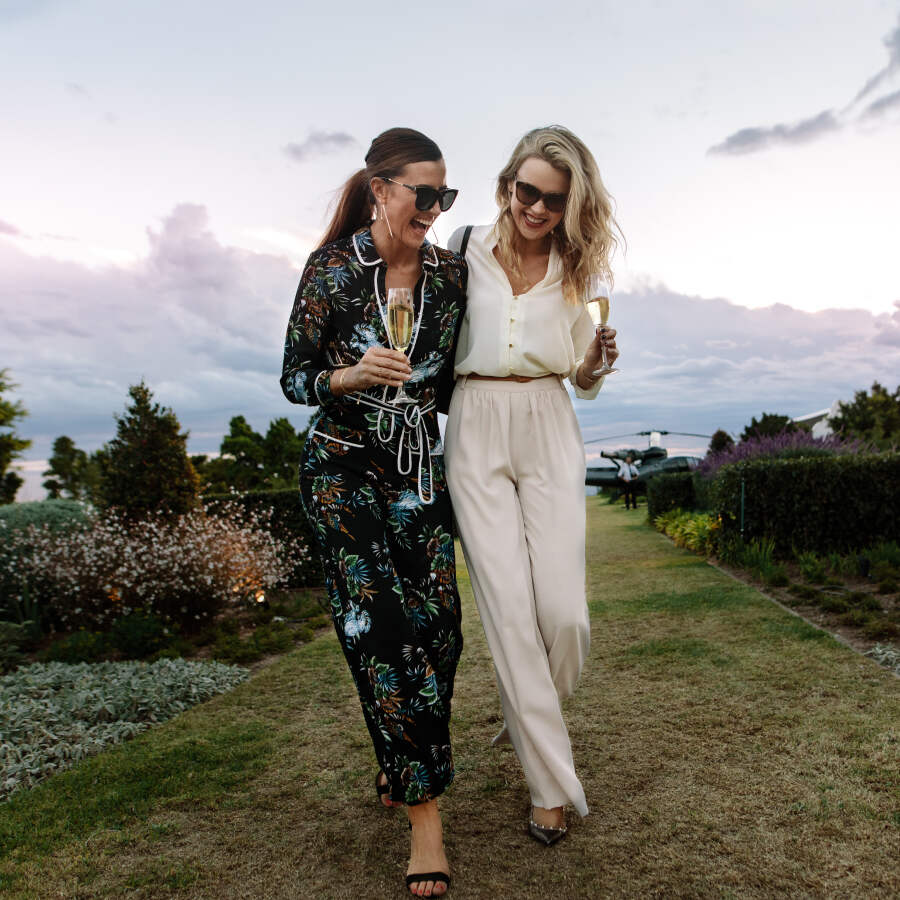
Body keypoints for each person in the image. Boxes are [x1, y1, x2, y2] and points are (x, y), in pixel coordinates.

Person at [280, 127, 466, 898]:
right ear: (381, 187)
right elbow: (294, 378)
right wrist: (349, 376)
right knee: (383, 636)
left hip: (418, 471)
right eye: (423, 193)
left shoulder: (453, 276)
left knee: (441, 633)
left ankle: (401, 760)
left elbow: (462, 380)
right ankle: (425, 817)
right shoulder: (330, 271)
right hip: (341, 472)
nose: (434, 207)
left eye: (443, 195)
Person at [444, 125, 620, 846]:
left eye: (553, 198)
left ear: (571, 203)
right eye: (527, 191)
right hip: (475, 418)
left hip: (549, 420)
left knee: (565, 617)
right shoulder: (459, 252)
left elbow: (581, 378)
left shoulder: (577, 273)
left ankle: (526, 711)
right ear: (506, 185)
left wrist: (596, 363)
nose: (537, 208)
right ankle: (549, 788)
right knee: (510, 615)